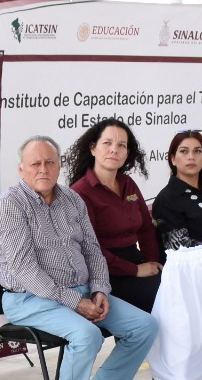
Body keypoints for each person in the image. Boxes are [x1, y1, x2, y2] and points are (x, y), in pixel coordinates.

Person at [0, 135, 159, 380]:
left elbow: (93, 251)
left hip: (81, 292)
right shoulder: (9, 206)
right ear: (21, 169)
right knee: (87, 336)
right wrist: (75, 303)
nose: (43, 169)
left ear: (60, 165)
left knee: (144, 326)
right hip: (30, 299)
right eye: (35, 163)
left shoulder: (72, 200)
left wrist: (100, 291)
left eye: (50, 162)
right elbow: (25, 271)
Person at [65, 118, 164, 311]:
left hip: (135, 260)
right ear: (93, 148)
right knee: (163, 296)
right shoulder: (80, 192)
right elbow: (90, 249)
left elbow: (145, 229)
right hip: (103, 275)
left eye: (121, 145)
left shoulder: (128, 183)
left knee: (175, 286)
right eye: (107, 143)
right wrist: (135, 271)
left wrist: (152, 263)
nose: (114, 150)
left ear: (127, 153)